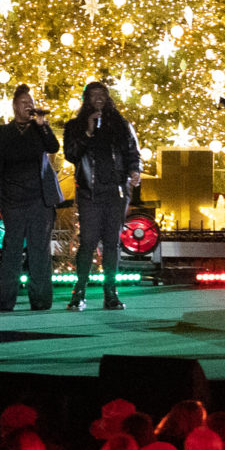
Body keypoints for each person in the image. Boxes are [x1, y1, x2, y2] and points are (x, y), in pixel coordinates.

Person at [63, 80, 142, 311]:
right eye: (93, 95)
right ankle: (79, 292)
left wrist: (134, 170)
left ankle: (110, 293)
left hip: (116, 193)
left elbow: (132, 152)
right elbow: (71, 154)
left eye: (102, 95)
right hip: (90, 193)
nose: (98, 99)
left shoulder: (120, 124)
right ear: (86, 100)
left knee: (112, 243)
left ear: (108, 99)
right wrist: (87, 131)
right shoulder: (75, 126)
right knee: (87, 242)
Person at [0, 85, 62, 312]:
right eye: (23, 102)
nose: (28, 106)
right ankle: (5, 302)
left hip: (39, 200)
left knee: (39, 251)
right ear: (14, 106)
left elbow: (53, 147)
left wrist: (43, 126)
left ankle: (40, 301)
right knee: (11, 251)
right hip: (12, 200)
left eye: (31, 102)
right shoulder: (2, 133)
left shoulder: (39, 130)